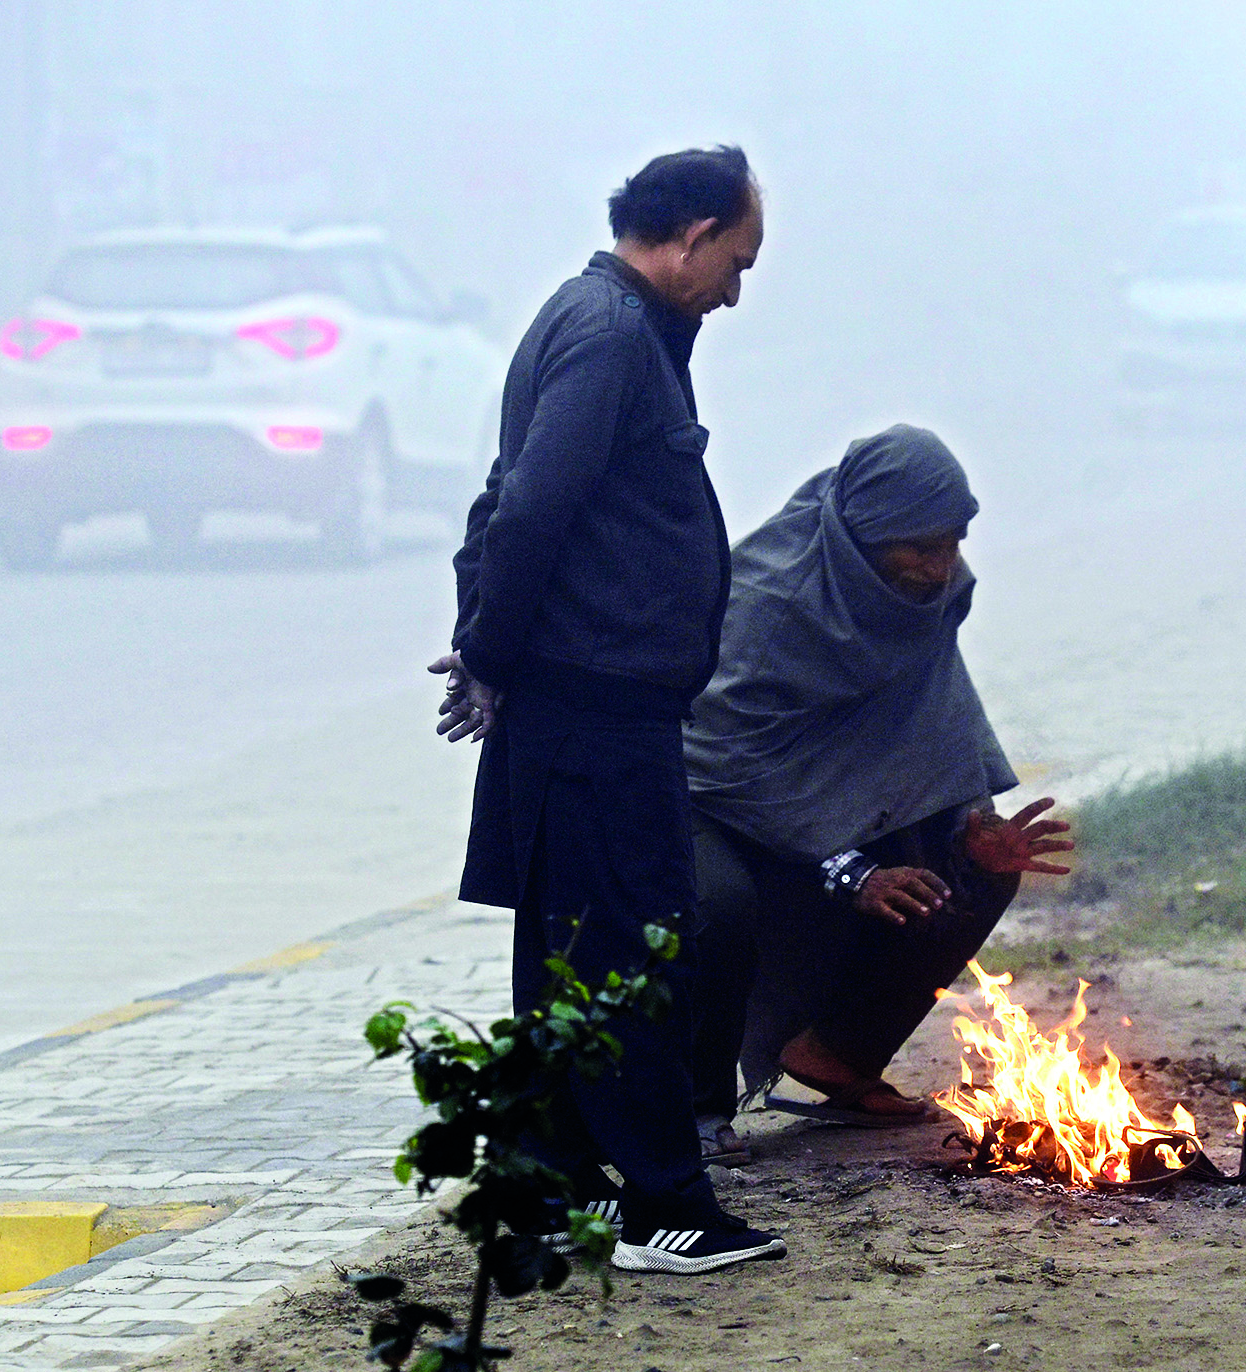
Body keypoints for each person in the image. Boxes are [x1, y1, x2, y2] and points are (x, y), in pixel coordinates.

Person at [428, 146, 786, 1274]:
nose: (736, 286)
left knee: (573, 965)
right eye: (737, 258)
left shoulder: (608, 326)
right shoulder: (609, 333)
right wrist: (488, 652)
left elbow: (508, 499)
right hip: (594, 723)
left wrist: (491, 649)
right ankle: (665, 1210)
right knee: (637, 957)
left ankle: (553, 1198)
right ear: (689, 237)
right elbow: (526, 505)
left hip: (587, 717)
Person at [681, 425, 1072, 1158]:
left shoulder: (930, 588)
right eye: (919, 547)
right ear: (860, 537)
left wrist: (967, 817)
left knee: (974, 875)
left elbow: (931, 706)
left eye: (952, 541)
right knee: (720, 905)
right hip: (709, 800)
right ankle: (694, 1108)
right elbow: (721, 758)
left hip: (822, 796)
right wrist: (847, 867)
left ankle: (836, 1051)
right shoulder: (767, 607)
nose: (939, 567)